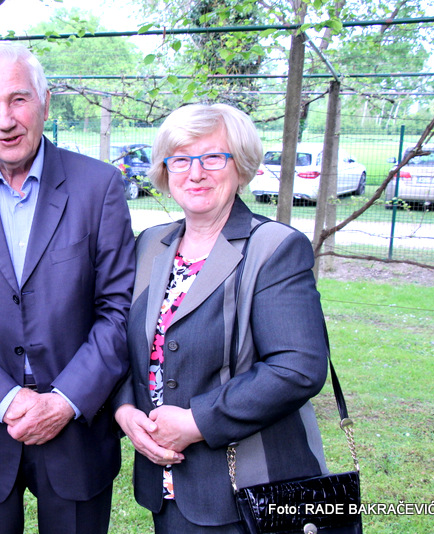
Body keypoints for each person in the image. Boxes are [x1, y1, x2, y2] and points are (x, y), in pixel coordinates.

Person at [0, 41, 136, 534]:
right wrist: (4, 399)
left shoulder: (99, 188)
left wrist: (64, 401)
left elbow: (119, 311)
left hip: (76, 427)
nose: (5, 120)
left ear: (45, 103)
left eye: (18, 99)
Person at [113, 103, 330, 533]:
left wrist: (196, 422)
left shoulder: (274, 247)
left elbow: (298, 367)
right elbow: (128, 342)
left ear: (241, 165)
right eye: (180, 159)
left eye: (213, 157)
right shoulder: (150, 244)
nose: (195, 173)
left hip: (251, 493)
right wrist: (124, 409)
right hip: (166, 488)